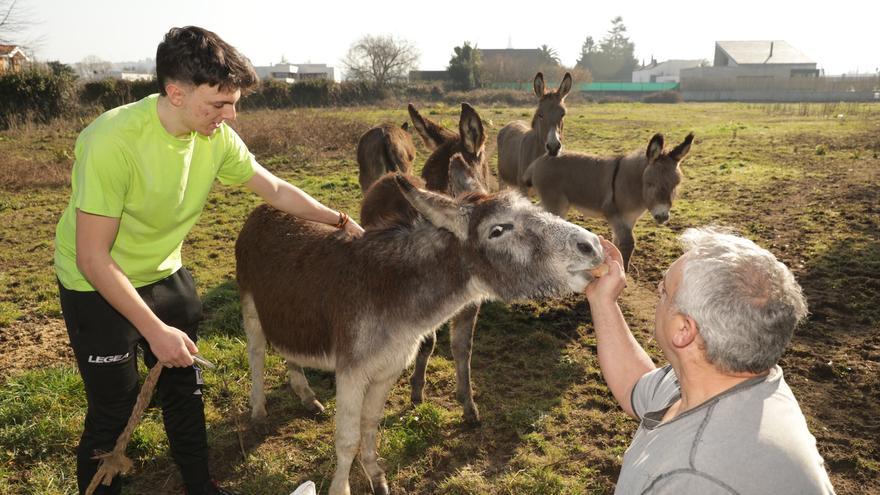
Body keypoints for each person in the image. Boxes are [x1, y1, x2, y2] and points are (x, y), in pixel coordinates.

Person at [54, 26, 363, 495]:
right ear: (175, 93)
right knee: (112, 412)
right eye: (219, 104)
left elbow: (275, 189)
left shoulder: (214, 137)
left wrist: (338, 220)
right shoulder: (111, 141)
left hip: (163, 272)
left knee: (185, 392)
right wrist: (156, 333)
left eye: (234, 102)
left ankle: (202, 486)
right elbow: (93, 258)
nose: (230, 115)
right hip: (94, 284)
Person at [584, 228, 835, 494]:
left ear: (683, 330)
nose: (658, 292)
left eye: (664, 291)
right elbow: (634, 385)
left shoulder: (694, 479)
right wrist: (603, 302)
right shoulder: (736, 382)